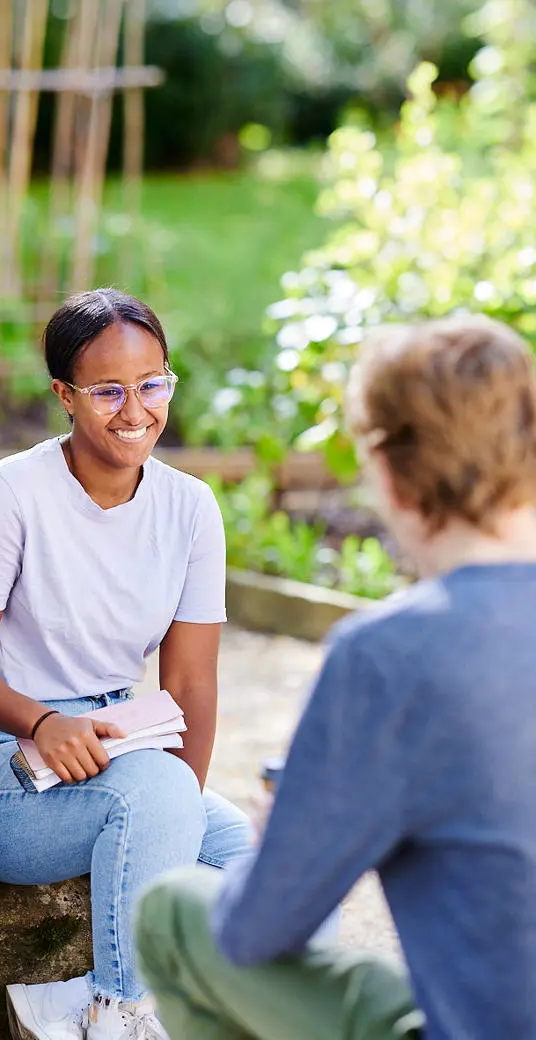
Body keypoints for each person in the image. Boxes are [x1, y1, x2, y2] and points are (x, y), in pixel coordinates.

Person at [136, 314, 536, 1040]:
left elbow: (257, 932)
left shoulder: (391, 654)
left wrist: (286, 830)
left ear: (387, 472)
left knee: (173, 913)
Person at [0, 289, 255, 1040]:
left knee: (249, 865)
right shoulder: (8, 497)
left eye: (152, 385)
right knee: (158, 797)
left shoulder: (190, 508)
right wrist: (43, 722)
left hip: (115, 751)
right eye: (107, 390)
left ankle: (63, 1007)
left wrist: (172, 810)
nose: (134, 410)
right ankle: (118, 1014)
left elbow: (191, 683)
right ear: (64, 395)